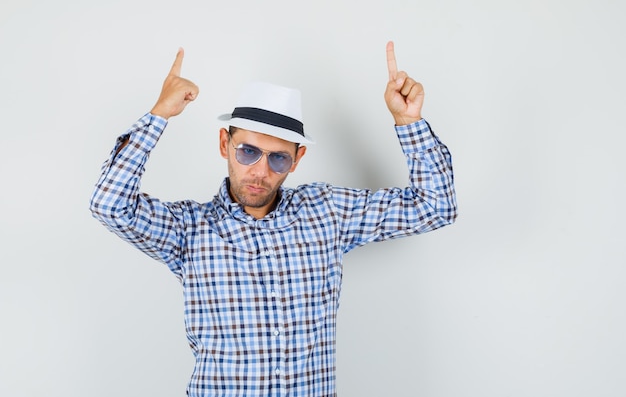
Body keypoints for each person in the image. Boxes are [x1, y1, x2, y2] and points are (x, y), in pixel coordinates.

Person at [90, 41, 457, 397]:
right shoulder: (189, 230)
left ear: (296, 160)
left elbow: (436, 206)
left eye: (278, 158)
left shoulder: (326, 212)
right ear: (224, 145)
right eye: (248, 151)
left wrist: (409, 122)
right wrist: (159, 115)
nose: (260, 171)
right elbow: (109, 204)